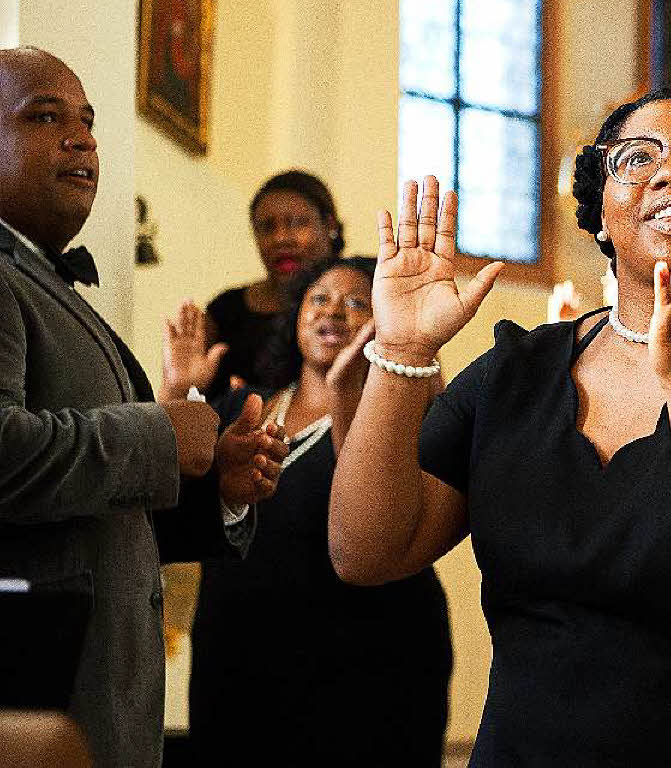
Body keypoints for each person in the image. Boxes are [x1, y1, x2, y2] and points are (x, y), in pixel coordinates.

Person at [329, 85, 671, 765]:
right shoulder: (517, 371)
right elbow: (367, 552)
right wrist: (404, 350)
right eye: (636, 158)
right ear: (602, 217)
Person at [0, 47, 287, 768]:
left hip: (94, 699)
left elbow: (95, 507)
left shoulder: (43, 283)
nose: (82, 138)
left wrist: (212, 490)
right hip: (31, 697)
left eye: (89, 123)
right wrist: (161, 435)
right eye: (44, 117)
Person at [165, 256, 453, 766]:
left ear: (383, 317)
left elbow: (388, 517)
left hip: (366, 665)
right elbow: (173, 505)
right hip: (239, 656)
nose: (335, 313)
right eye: (319, 299)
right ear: (296, 315)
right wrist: (177, 392)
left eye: (357, 302)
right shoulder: (244, 409)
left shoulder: (396, 417)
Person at [162, 171, 345, 401]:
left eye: (296, 223)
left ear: (329, 225)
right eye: (267, 227)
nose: (280, 238)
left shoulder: (367, 295)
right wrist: (178, 387)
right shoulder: (226, 309)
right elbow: (187, 399)